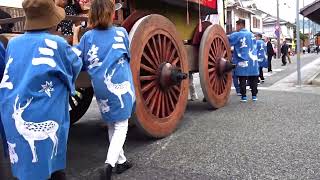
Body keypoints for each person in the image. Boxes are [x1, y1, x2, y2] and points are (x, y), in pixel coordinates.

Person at [0, 0, 83, 179]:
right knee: (48, 162)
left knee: (27, 163)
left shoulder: (13, 44)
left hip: (10, 110)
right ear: (51, 20)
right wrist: (76, 42)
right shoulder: (57, 43)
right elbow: (75, 65)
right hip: (43, 112)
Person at [73, 0, 135, 179]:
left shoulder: (87, 37)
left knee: (111, 121)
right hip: (121, 83)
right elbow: (128, 55)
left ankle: (121, 161)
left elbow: (77, 57)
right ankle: (109, 164)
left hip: (100, 86)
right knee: (122, 124)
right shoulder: (121, 32)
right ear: (111, 14)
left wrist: (76, 34)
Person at [228, 19, 259, 102]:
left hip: (242, 59)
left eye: (237, 25)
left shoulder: (237, 34)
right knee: (253, 78)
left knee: (242, 78)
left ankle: (244, 96)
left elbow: (227, 41)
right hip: (253, 60)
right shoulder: (252, 35)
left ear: (240, 25)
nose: (236, 27)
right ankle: (254, 96)